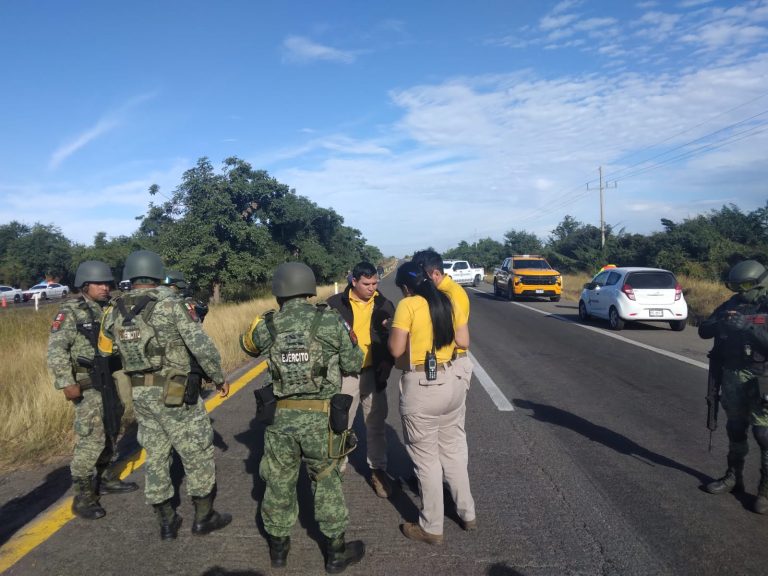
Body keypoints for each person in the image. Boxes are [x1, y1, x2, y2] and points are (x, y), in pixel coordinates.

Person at [240, 262, 365, 573]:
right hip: (321, 421)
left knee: (278, 482)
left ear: (279, 289)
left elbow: (246, 345)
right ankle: (335, 554)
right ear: (309, 288)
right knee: (326, 482)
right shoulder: (329, 320)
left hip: (280, 420)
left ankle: (278, 550)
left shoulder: (267, 324)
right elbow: (354, 361)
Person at [98, 250, 231, 540]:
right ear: (157, 273)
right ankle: (204, 516)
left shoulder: (114, 309)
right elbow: (200, 345)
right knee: (196, 450)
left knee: (156, 454)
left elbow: (106, 350)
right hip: (176, 389)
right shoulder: (171, 304)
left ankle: (167, 521)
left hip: (141, 393)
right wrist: (218, 377)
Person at [388, 261, 476, 545]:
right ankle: (467, 513)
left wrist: (395, 329)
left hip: (423, 387)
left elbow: (396, 349)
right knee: (452, 450)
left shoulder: (409, 305)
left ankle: (432, 527)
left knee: (426, 460)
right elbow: (463, 340)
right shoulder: (448, 301)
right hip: (451, 383)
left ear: (405, 286)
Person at [47, 260, 138, 520]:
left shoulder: (109, 309)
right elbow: (56, 350)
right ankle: (84, 497)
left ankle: (107, 478)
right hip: (86, 384)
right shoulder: (71, 312)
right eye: (99, 283)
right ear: (85, 285)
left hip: (109, 379)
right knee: (91, 439)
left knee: (112, 428)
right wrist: (66, 382)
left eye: (107, 283)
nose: (105, 288)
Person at [699, 259, 768, 512]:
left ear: (760, 283)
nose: (741, 291)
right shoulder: (731, 304)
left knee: (764, 435)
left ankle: (765, 492)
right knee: (735, 427)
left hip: (762, 377)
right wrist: (722, 323)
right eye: (736, 286)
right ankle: (732, 477)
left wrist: (748, 328)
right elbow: (704, 330)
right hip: (732, 375)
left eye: (747, 285)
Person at [327, 261, 395, 497]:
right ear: (353, 281)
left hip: (375, 374)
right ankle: (336, 468)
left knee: (375, 425)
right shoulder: (335, 305)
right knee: (340, 425)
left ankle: (378, 471)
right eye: (366, 284)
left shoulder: (385, 305)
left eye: (375, 283)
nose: (371, 288)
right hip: (346, 376)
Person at [412, 249, 474, 393]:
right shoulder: (438, 292)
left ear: (436, 274)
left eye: (422, 277)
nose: (419, 281)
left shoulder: (451, 294)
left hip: (453, 361)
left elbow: (448, 332)